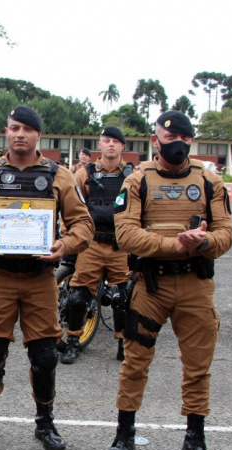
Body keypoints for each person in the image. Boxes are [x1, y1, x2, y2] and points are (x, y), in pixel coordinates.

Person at [0, 105, 94, 450]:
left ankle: (45, 423)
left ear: (38, 136)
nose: (20, 134)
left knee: (45, 355)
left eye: (27, 129)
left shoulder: (59, 176)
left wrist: (65, 244)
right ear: (7, 131)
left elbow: (84, 225)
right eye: (14, 127)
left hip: (40, 277)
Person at [109, 110, 232, 450]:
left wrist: (205, 240)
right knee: (135, 362)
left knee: (197, 366)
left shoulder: (209, 180)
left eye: (184, 138)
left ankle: (195, 438)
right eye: (170, 137)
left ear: (190, 141)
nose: (177, 143)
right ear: (155, 140)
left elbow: (226, 233)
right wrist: (173, 246)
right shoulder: (137, 181)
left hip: (196, 285)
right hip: (151, 285)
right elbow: (126, 234)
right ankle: (125, 433)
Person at [61, 126, 133, 364]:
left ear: (123, 146)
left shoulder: (133, 176)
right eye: (106, 140)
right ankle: (73, 342)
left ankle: (124, 344)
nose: (111, 144)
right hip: (91, 244)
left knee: (124, 298)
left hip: (121, 245)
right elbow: (71, 209)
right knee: (77, 297)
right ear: (99, 145)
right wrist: (68, 239)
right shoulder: (84, 174)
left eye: (115, 141)